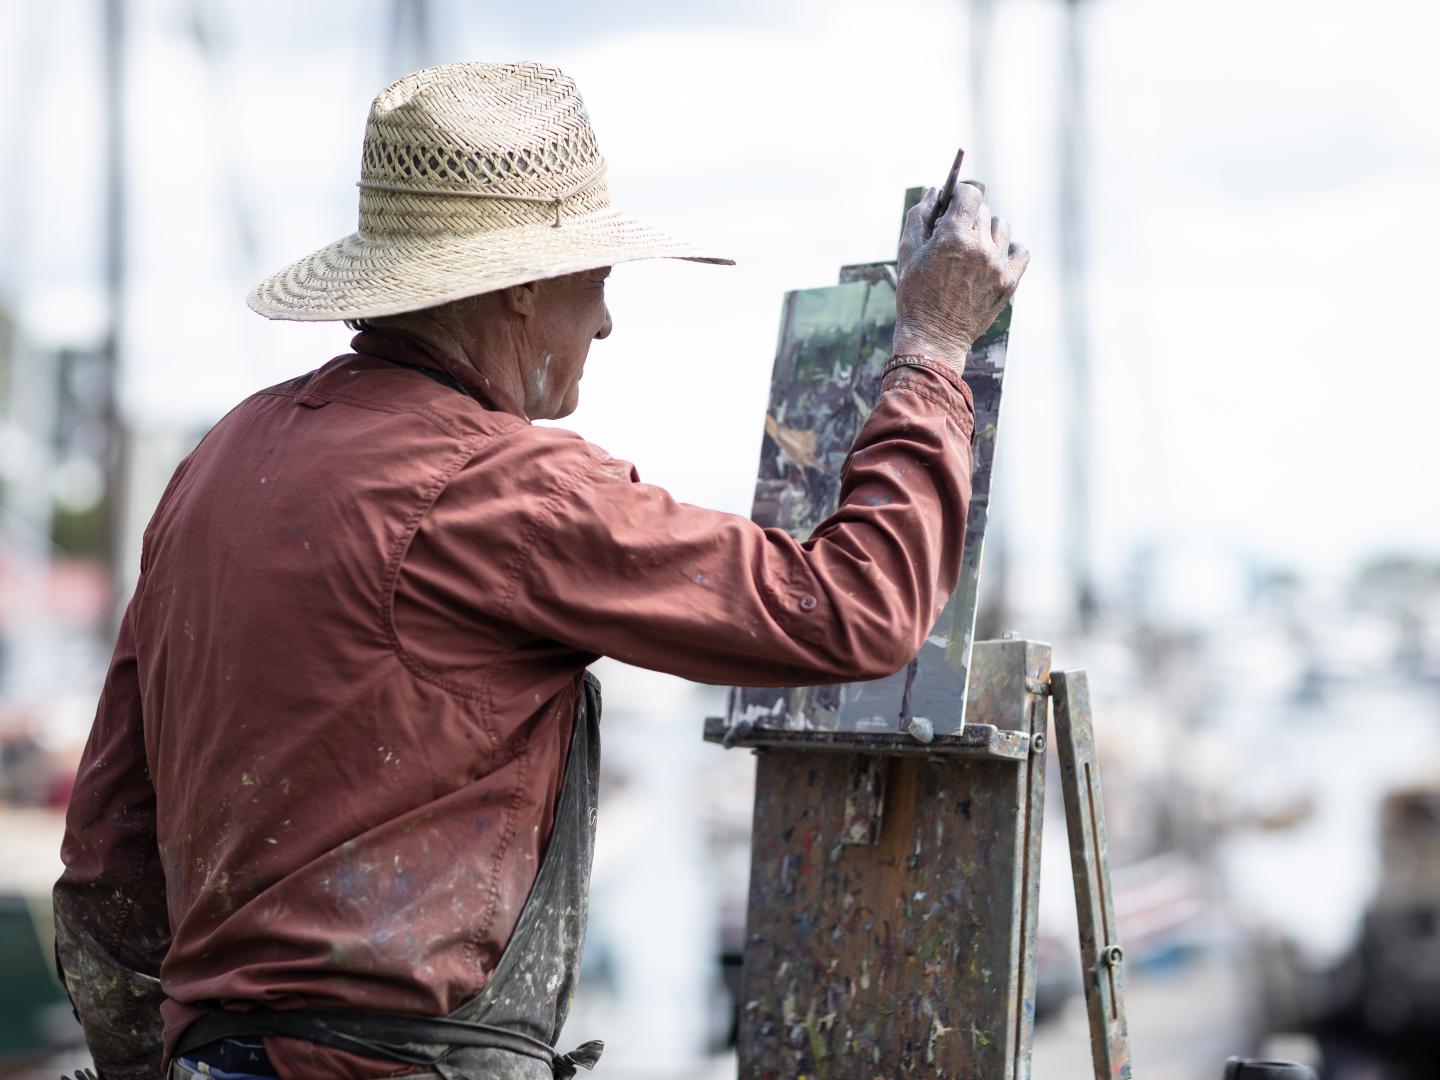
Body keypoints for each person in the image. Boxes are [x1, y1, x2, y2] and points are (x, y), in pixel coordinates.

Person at [53, 61, 1028, 1080]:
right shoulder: (505, 490)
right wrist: (931, 350)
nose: (603, 322)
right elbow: (858, 613)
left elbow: (109, 860)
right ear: (520, 283)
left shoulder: (221, 460)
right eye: (595, 281)